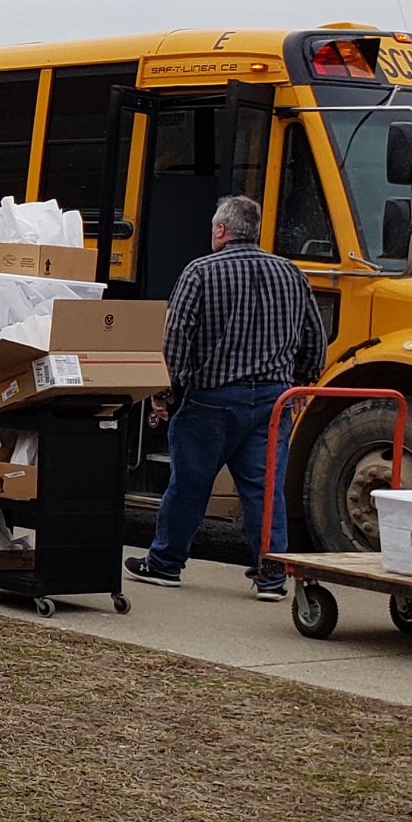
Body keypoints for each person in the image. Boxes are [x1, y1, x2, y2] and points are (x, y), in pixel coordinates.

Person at [126, 194, 327, 601]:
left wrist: (165, 392)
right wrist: (303, 381)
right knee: (264, 489)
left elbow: (177, 336)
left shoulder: (200, 271)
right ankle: (271, 576)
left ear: (221, 229)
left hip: (212, 399)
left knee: (189, 485)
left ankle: (165, 564)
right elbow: (314, 337)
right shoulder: (291, 272)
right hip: (273, 401)